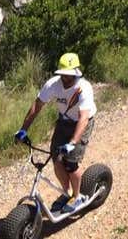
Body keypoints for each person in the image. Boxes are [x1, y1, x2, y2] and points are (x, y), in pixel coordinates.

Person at [14, 53, 97, 214]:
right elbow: (37, 106)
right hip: (64, 121)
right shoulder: (53, 84)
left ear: (76, 72)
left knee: (71, 162)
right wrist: (23, 129)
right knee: (56, 158)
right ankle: (67, 193)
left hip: (81, 123)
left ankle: (78, 197)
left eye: (69, 74)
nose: (66, 77)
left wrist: (72, 143)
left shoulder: (83, 88)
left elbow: (83, 118)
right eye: (63, 74)